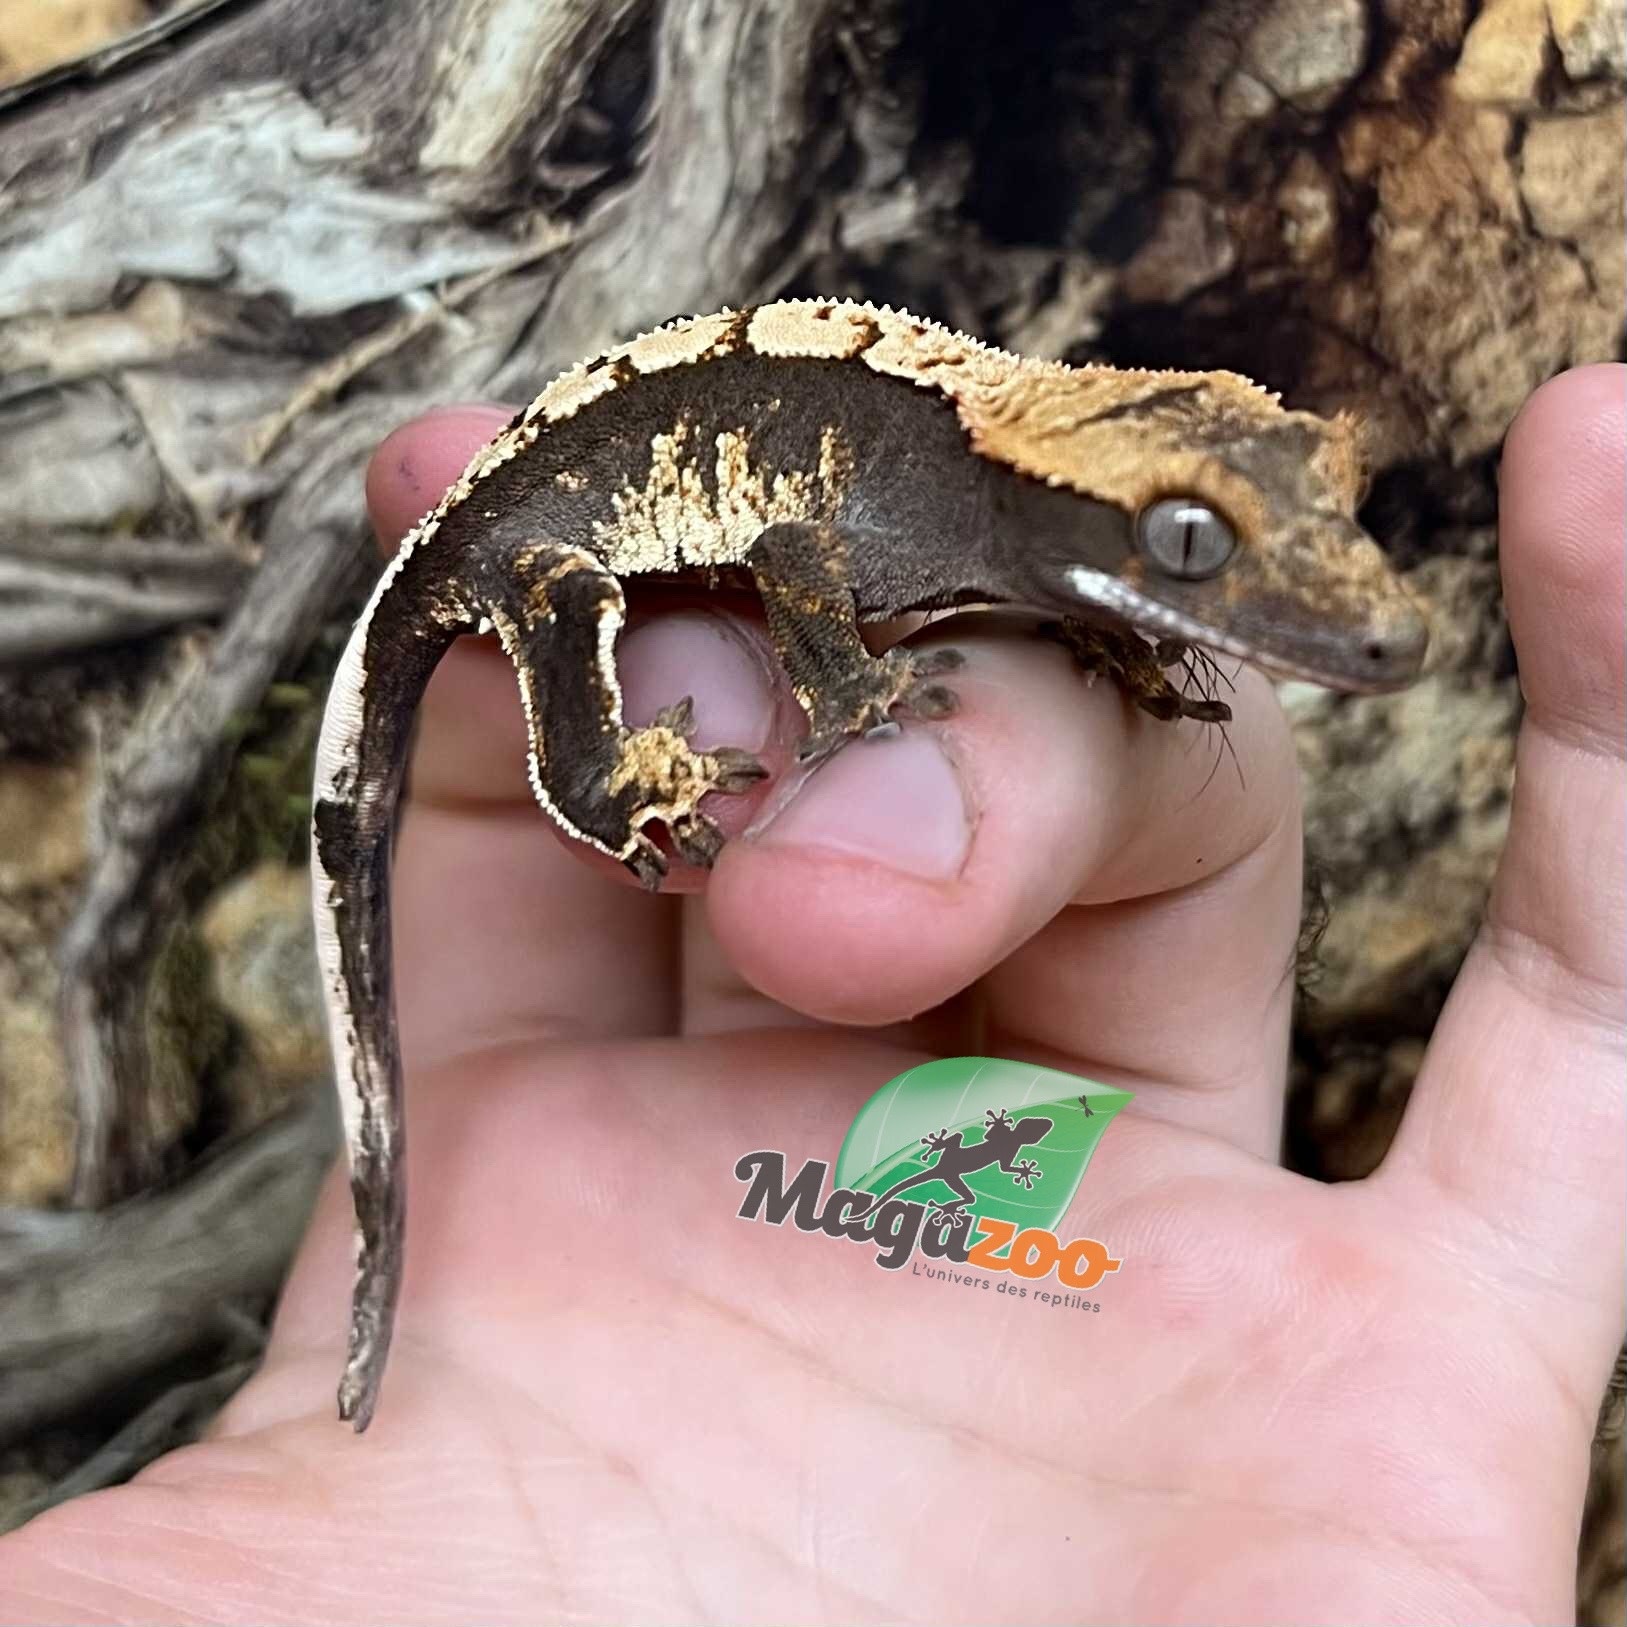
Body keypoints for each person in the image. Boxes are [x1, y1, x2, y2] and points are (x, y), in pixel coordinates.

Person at [2, 367, 1620, 1624]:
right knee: (572, 612)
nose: (1354, 606)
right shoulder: (924, 506)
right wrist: (841, 688)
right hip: (543, 533)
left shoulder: (1008, 515)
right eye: (1190, 546)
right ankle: (600, 784)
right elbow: (788, 549)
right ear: (1055, 497)